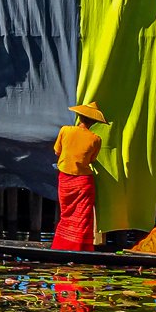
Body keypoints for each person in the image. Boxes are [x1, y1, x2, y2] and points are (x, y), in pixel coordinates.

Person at [52, 101, 108, 252]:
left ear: (79, 117)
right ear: (94, 122)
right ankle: (81, 248)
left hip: (65, 179)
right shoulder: (95, 139)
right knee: (83, 218)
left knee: (66, 214)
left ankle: (62, 247)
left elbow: (57, 151)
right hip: (83, 182)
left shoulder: (65, 130)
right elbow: (91, 160)